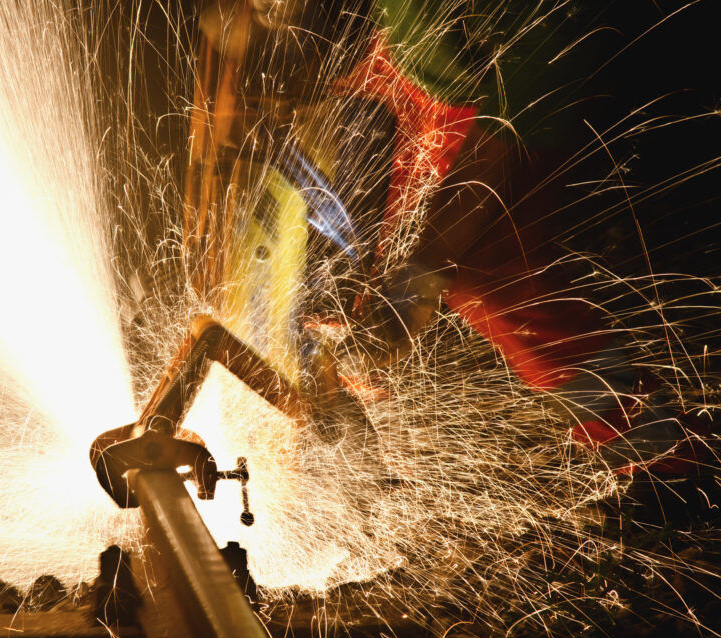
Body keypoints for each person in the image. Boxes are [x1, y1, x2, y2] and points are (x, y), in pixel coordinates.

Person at [187, 0, 715, 514]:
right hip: (428, 67)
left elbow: (516, 124)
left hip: (532, 81)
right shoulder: (368, 41)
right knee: (380, 264)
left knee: (487, 278)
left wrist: (421, 277)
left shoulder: (526, 27)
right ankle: (355, 404)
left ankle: (660, 453)